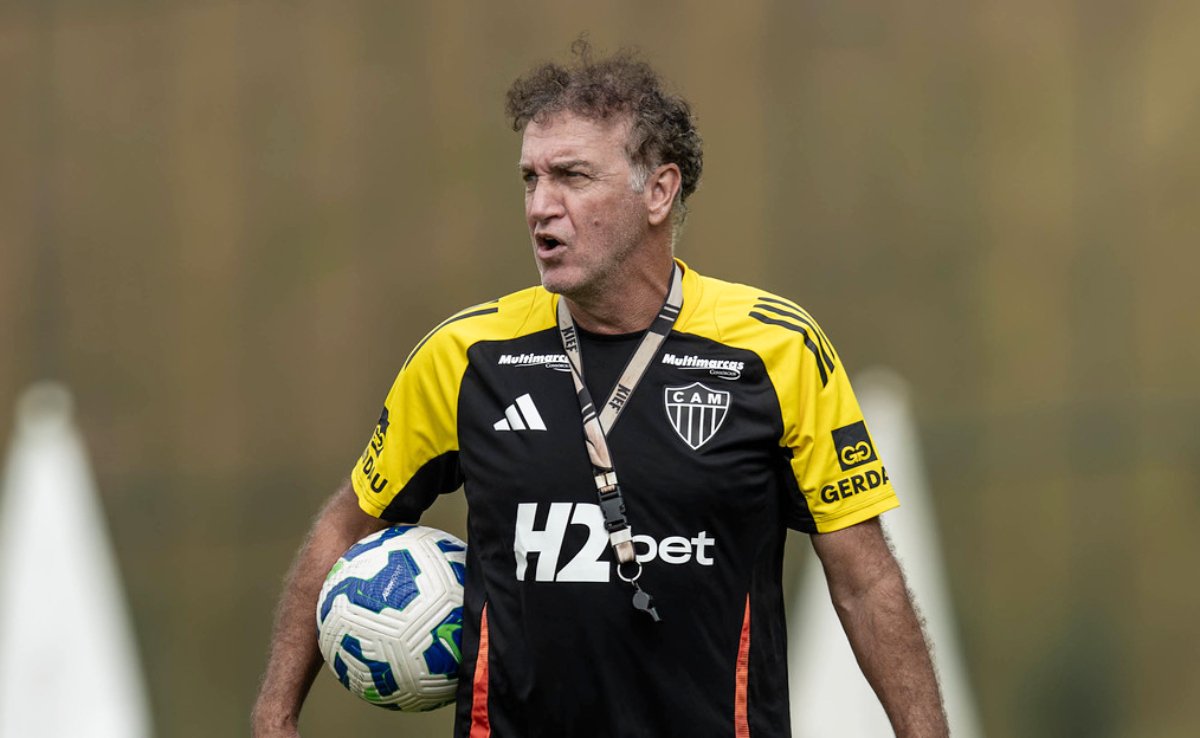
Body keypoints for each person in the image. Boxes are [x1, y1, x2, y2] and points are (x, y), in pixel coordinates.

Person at [252, 41, 949, 738]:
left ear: (659, 190)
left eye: (572, 176)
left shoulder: (777, 351)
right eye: (530, 179)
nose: (541, 207)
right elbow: (348, 521)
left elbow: (864, 578)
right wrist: (276, 713)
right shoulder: (464, 356)